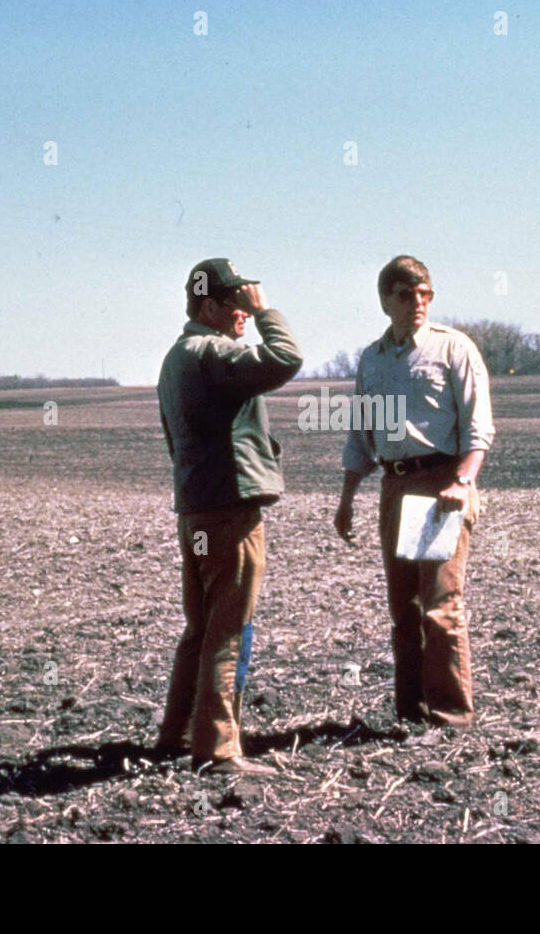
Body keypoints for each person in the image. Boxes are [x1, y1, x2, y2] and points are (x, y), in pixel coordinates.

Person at [155, 258, 302, 775]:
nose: (243, 308)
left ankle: (176, 734)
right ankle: (218, 749)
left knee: (199, 628)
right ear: (209, 306)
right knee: (226, 628)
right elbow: (286, 358)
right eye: (235, 301)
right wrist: (267, 313)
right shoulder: (213, 352)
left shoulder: (176, 357)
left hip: (194, 510)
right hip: (228, 512)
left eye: (247, 299)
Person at [334, 255, 495, 727]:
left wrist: (462, 483)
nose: (419, 303)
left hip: (441, 483)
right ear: (386, 301)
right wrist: (347, 498)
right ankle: (411, 711)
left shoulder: (453, 349)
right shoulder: (373, 359)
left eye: (426, 294)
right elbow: (360, 436)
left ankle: (450, 717)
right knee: (403, 610)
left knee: (440, 606)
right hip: (395, 485)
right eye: (407, 295)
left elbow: (479, 429)